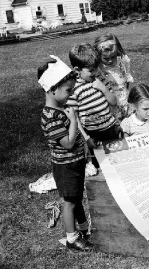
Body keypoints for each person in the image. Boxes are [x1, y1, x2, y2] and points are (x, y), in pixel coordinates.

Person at [38, 55, 92, 252]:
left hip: (75, 163)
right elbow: (68, 143)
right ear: (52, 89)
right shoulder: (50, 116)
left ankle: (83, 229)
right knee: (69, 202)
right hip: (66, 166)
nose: (70, 95)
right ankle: (72, 238)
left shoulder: (61, 110)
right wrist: (74, 121)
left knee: (76, 198)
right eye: (68, 91)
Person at [67, 43, 122, 167]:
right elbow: (74, 118)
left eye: (96, 67)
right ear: (77, 70)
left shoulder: (99, 80)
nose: (96, 71)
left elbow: (114, 102)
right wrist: (86, 138)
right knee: (102, 166)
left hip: (110, 129)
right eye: (91, 70)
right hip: (93, 135)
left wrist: (104, 89)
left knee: (119, 162)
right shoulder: (73, 89)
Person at [94, 33, 134, 124]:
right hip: (108, 109)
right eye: (105, 58)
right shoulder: (97, 69)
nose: (110, 60)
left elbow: (126, 83)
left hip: (125, 103)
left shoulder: (123, 62)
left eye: (113, 57)